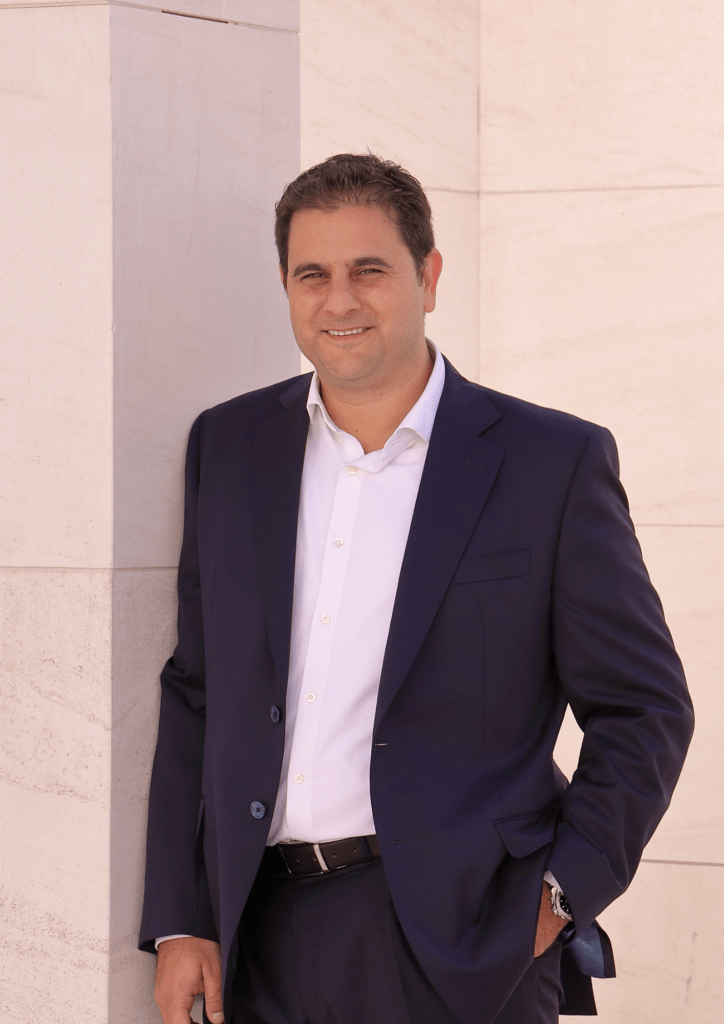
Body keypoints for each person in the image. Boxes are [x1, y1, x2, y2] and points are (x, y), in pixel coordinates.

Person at [139, 154, 693, 1024]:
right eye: (312, 275)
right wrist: (181, 919)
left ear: (429, 278)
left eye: (370, 270)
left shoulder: (550, 463)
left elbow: (643, 707)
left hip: (463, 942)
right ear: (285, 287)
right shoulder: (230, 445)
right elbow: (197, 690)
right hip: (255, 936)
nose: (340, 301)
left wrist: (559, 896)